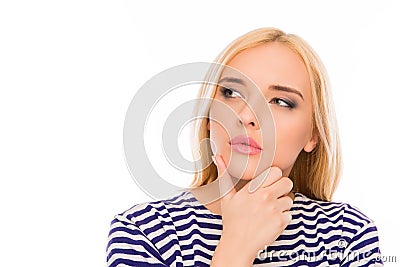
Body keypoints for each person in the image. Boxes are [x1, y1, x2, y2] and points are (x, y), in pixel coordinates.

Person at [106, 27, 383, 266]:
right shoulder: (144, 231)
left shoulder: (347, 234)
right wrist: (235, 250)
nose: (248, 115)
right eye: (232, 93)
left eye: (281, 101)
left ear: (313, 135)